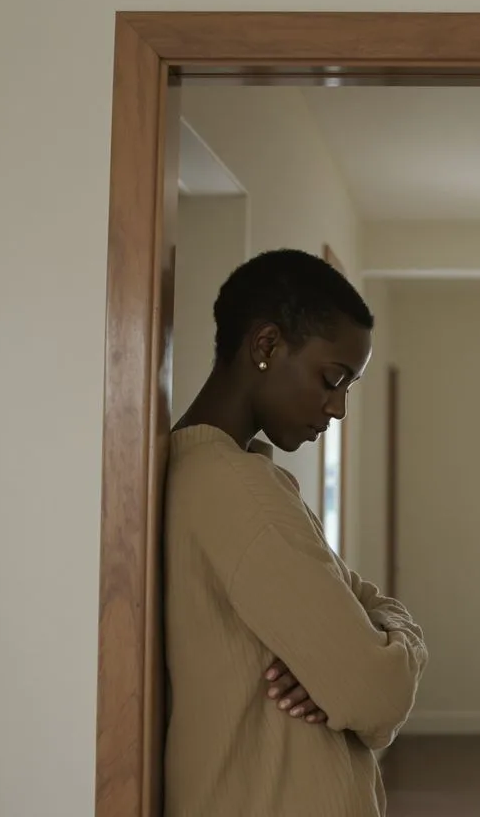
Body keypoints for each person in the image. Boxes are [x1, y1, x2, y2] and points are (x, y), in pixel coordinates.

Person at [163, 248, 428, 817]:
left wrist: (374, 640)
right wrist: (391, 649)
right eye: (332, 379)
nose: (338, 409)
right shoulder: (234, 489)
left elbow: (366, 606)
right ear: (266, 346)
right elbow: (376, 694)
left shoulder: (235, 475)